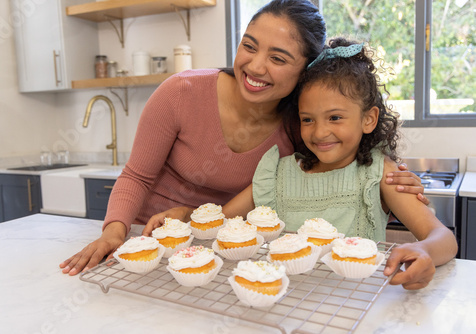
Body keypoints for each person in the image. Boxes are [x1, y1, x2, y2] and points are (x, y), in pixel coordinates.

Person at [60, 0, 426, 276]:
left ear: (305, 73)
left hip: (223, 247)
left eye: (278, 58)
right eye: (249, 46)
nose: (254, 66)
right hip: (150, 239)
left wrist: (392, 176)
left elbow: (344, 146)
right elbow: (136, 175)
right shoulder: (180, 93)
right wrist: (114, 231)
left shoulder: (297, 128)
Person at [187, 37, 457, 289]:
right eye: (308, 119)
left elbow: (444, 239)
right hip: (283, 308)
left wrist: (424, 251)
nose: (319, 132)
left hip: (356, 308)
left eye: (335, 118)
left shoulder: (379, 174)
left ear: (369, 119)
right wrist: (184, 219)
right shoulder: (277, 174)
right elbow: (219, 222)